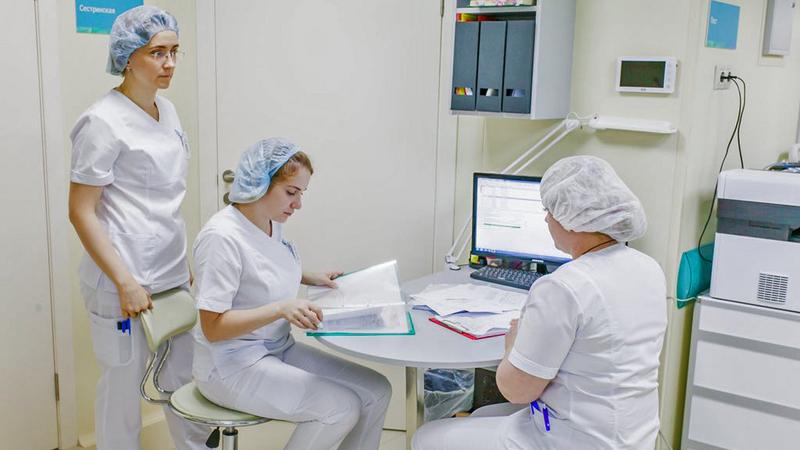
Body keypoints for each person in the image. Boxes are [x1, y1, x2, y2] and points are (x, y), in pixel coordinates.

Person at [413, 155, 668, 450]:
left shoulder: (563, 287)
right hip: (631, 436)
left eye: (550, 211)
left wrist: (513, 345)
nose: (546, 219)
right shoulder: (648, 268)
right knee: (484, 415)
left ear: (573, 221)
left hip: (574, 442)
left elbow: (516, 391)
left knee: (426, 437)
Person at [192, 138, 392, 450]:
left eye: (301, 194)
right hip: (230, 365)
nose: (298, 204)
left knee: (377, 390)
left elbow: (260, 268)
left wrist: (309, 276)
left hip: (276, 348)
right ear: (259, 184)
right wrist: (280, 309)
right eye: (291, 192)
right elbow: (213, 328)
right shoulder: (221, 238)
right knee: (340, 409)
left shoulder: (268, 222)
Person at [68, 6, 207, 449]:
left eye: (174, 52)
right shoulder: (102, 121)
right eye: (157, 53)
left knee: (183, 381)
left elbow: (164, 198)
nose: (170, 63)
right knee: (123, 391)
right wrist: (124, 281)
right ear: (128, 57)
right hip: (122, 282)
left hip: (170, 274)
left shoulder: (168, 111)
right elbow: (81, 212)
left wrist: (181, 263)